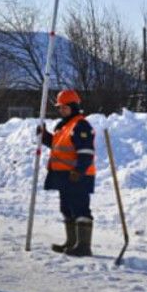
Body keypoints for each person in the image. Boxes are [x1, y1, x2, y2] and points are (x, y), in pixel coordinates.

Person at [38, 89, 96, 256]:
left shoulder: (80, 125)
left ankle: (84, 247)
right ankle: (72, 242)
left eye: (64, 107)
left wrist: (79, 171)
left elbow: (86, 151)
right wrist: (45, 137)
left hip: (78, 175)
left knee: (80, 209)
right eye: (60, 107)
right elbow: (59, 148)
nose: (61, 110)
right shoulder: (63, 126)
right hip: (64, 175)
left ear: (73, 107)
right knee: (67, 208)